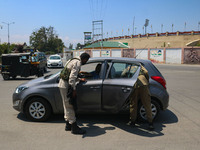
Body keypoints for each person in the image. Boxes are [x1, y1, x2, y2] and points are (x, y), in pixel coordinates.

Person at [58, 53, 90, 134]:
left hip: (62, 84)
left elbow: (70, 75)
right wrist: (74, 89)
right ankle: (74, 127)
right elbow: (71, 79)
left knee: (66, 105)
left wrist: (79, 79)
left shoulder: (72, 60)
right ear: (84, 59)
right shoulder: (78, 63)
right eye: (86, 60)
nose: (86, 62)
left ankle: (68, 125)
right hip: (66, 85)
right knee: (70, 106)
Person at [127, 64, 154, 130]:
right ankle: (150, 123)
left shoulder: (129, 66)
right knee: (147, 104)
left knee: (133, 104)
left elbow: (124, 73)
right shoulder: (140, 66)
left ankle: (133, 121)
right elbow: (146, 72)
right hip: (144, 85)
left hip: (134, 85)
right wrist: (146, 81)